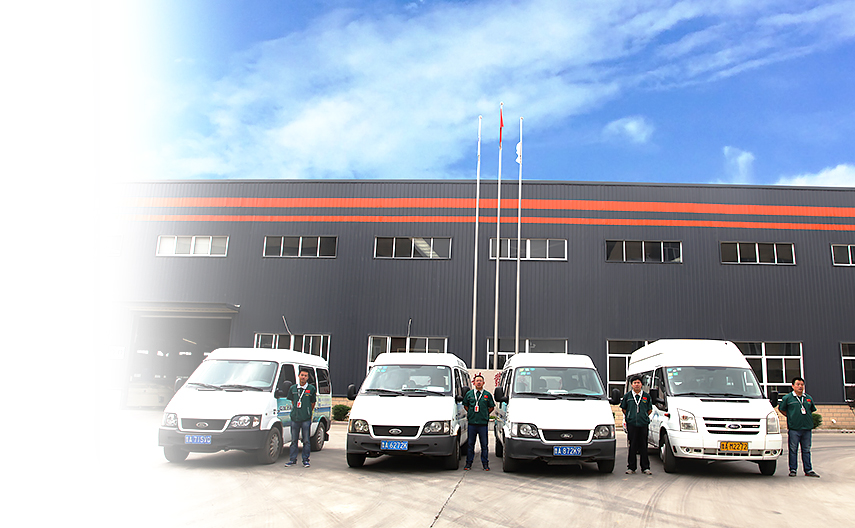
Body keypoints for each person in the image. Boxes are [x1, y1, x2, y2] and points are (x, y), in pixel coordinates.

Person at [778, 376, 820, 478]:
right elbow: (781, 409)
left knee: (806, 450)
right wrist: (790, 416)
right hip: (794, 428)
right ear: (793, 386)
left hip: (807, 428)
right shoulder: (788, 398)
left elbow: (812, 409)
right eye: (798, 384)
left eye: (802, 385)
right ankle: (793, 469)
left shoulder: (808, 398)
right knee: (793, 450)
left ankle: (808, 469)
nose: (800, 387)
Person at [620, 375, 653, 475]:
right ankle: (631, 467)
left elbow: (649, 410)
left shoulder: (646, 396)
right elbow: (624, 409)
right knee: (632, 445)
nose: (636, 385)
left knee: (643, 445)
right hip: (632, 424)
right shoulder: (627, 396)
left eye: (638, 383)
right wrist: (630, 416)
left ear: (641, 384)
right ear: (632, 385)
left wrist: (643, 416)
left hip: (643, 424)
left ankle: (645, 467)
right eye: (634, 383)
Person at [284, 369, 317, 468]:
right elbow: (293, 401)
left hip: (305, 419)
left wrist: (307, 412)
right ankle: (292, 460)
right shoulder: (293, 388)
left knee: (306, 440)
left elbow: (312, 403)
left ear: (307, 378)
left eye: (305, 376)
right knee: (294, 440)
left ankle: (306, 460)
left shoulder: (311, 389)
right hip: (295, 418)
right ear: (299, 376)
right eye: (302, 375)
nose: (303, 377)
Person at [463, 374, 495, 471]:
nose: (479, 382)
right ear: (474, 383)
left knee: (484, 445)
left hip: (482, 424)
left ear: (483, 383)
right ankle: (468, 464)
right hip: (472, 424)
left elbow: (491, 407)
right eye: (477, 381)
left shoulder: (487, 394)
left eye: (480, 381)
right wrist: (471, 413)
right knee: (470, 445)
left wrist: (484, 414)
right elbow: (466, 406)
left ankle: (485, 464)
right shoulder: (469, 394)